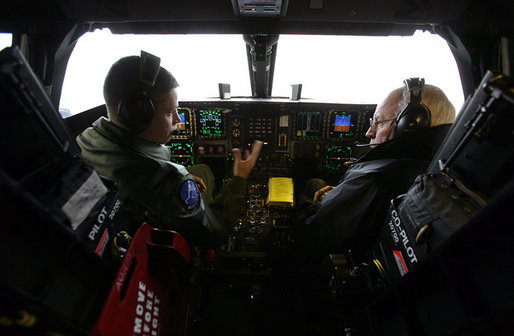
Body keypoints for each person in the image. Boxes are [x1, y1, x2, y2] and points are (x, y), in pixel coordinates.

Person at [77, 54, 263, 248]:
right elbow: (213, 232)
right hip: (165, 251)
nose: (178, 120)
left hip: (131, 229)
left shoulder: (87, 138)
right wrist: (240, 179)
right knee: (206, 172)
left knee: (201, 171)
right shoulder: (168, 182)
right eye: (169, 112)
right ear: (137, 115)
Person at [296, 79, 455, 260]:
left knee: (313, 184)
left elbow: (313, 237)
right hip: (370, 246)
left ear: (408, 125)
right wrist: (344, 197)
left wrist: (318, 206)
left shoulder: (375, 180)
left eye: (378, 122)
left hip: (336, 260)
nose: (369, 133)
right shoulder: (441, 167)